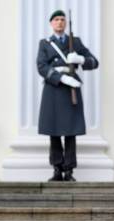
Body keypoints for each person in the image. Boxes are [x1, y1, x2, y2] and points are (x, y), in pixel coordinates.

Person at [37, 10, 99, 182]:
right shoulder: (45, 43)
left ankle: (69, 170)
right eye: (56, 19)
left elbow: (94, 62)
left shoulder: (75, 42)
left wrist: (80, 59)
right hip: (54, 89)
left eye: (62, 19)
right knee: (54, 131)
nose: (60, 22)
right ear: (51, 23)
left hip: (71, 91)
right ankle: (57, 169)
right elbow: (41, 66)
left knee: (70, 131)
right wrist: (61, 78)